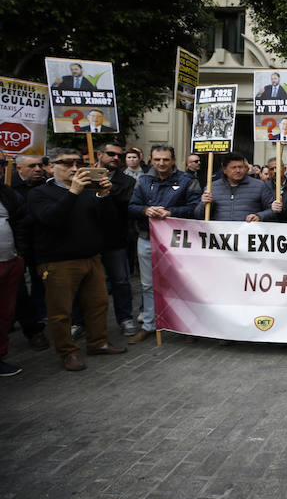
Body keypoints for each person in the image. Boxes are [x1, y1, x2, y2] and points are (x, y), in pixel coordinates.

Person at [28, 148, 126, 370]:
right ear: (50, 167)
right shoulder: (39, 193)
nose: (74, 168)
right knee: (61, 310)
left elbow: (109, 222)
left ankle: (98, 343)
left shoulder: (87, 191)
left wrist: (103, 196)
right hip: (58, 262)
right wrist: (73, 192)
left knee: (99, 304)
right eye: (67, 163)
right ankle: (68, 351)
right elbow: (51, 219)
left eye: (78, 163)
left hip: (91, 258)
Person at [128, 145, 201, 344]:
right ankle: (149, 324)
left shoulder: (188, 180)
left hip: (177, 242)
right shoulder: (143, 181)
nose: (161, 163)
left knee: (181, 283)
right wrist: (145, 210)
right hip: (146, 238)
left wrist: (171, 213)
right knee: (148, 284)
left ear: (173, 160)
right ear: (151, 160)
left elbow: (196, 209)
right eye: (157, 159)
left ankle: (186, 326)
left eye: (166, 159)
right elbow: (132, 206)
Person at [73, 143, 138, 336]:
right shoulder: (82, 177)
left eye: (120, 155)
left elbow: (127, 205)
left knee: (120, 282)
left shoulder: (126, 181)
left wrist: (108, 192)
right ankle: (78, 321)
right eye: (111, 154)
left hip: (114, 240)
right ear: (99, 154)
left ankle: (125, 319)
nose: (116, 158)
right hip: (85, 240)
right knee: (82, 283)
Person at [11, 155, 49, 350]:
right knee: (17, 291)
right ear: (18, 168)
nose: (37, 169)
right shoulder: (9, 187)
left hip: (36, 244)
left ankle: (36, 322)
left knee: (38, 281)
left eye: (40, 165)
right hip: (16, 248)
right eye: (32, 166)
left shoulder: (43, 186)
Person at [0, 151, 26, 375]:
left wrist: (19, 254)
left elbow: (19, 222)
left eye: (1, 163)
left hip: (9, 261)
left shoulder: (7, 193)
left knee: (5, 313)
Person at [196, 153, 276, 222]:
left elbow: (273, 210)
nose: (238, 170)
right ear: (224, 169)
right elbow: (198, 215)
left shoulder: (260, 186)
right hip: (220, 237)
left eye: (240, 167)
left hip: (248, 235)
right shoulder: (211, 188)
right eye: (233, 167)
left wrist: (260, 216)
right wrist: (203, 204)